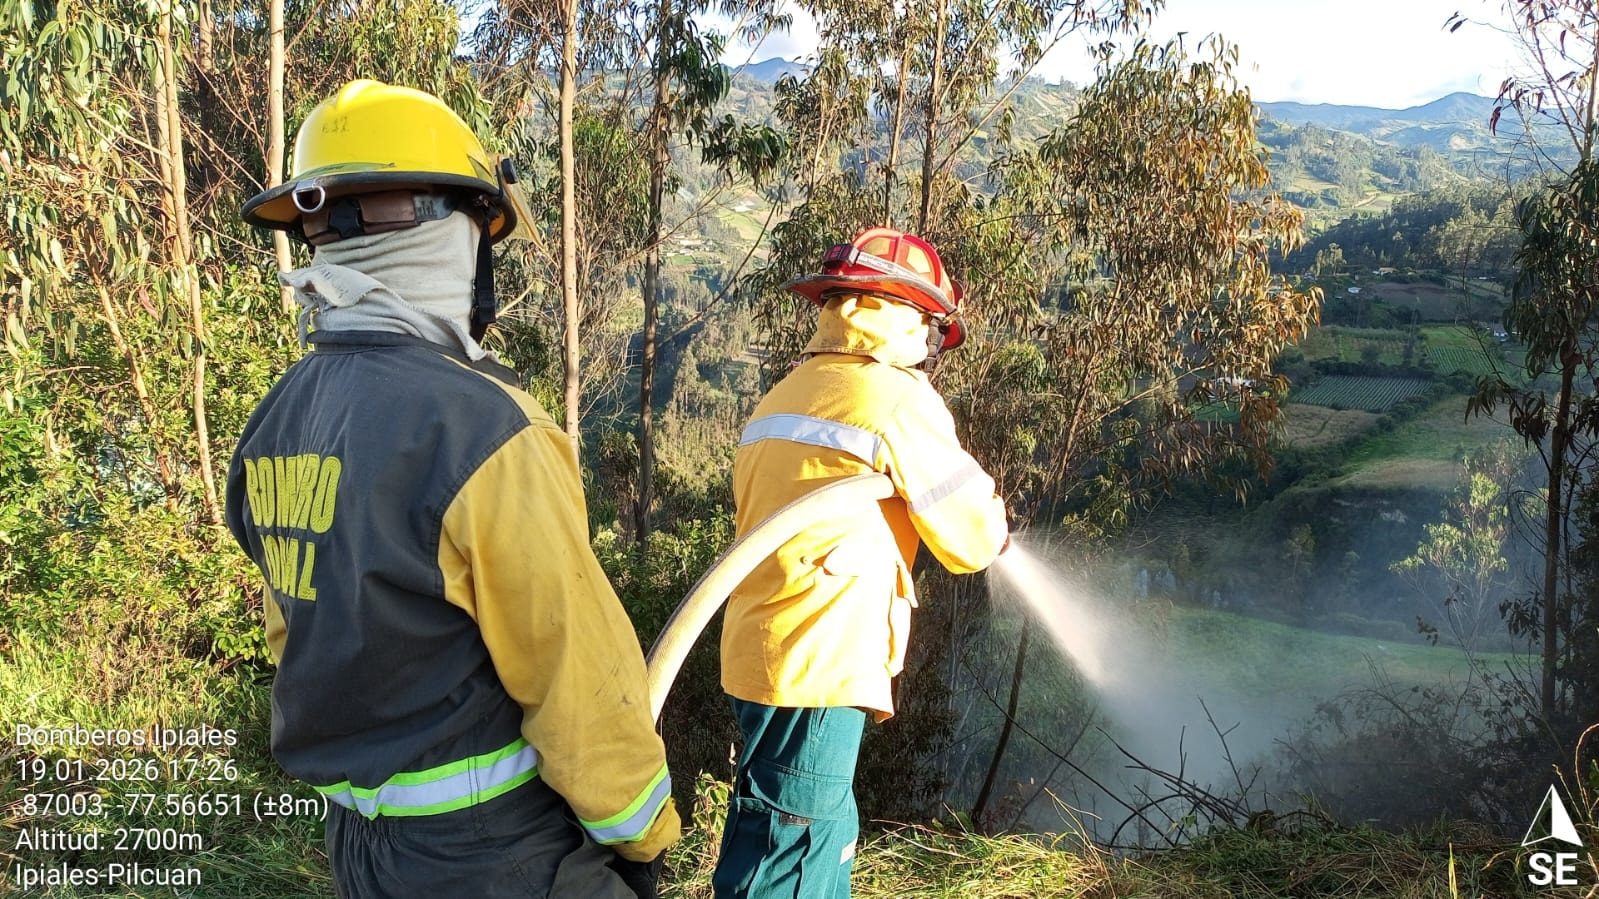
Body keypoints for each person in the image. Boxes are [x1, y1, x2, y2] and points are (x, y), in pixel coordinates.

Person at [227, 79, 679, 899]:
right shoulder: (486, 429)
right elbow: (571, 671)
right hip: (496, 854)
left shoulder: (279, 418)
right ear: (461, 234)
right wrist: (641, 835)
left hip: (359, 845)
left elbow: (288, 627)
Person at [713, 228, 1010, 898]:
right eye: (934, 327)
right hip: (819, 656)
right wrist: (999, 533)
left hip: (761, 645)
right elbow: (967, 538)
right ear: (910, 315)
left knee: (800, 824)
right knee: (794, 845)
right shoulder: (894, 398)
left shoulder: (791, 390)